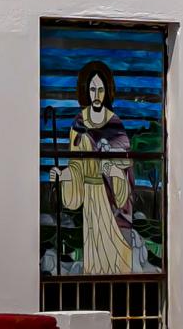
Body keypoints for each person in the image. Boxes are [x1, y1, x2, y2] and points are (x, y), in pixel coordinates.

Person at [50, 60, 138, 274]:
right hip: (89, 196)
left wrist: (117, 172)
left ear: (107, 91)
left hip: (109, 197)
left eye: (100, 89)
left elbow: (125, 162)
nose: (96, 94)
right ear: (86, 91)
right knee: (94, 251)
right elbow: (76, 165)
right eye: (92, 89)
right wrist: (63, 175)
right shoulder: (78, 123)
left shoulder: (114, 123)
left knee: (116, 252)